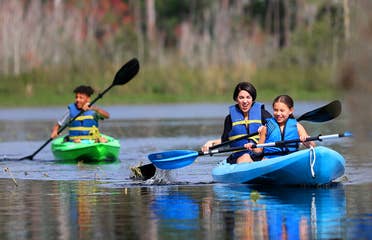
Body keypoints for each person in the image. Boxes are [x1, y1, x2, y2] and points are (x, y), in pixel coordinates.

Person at [201, 82, 272, 164]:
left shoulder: (263, 114)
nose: (245, 101)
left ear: (252, 99)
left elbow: (275, 132)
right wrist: (211, 143)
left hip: (260, 154)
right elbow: (226, 141)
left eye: (248, 97)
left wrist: (265, 129)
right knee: (245, 157)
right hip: (240, 156)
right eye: (241, 98)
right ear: (236, 99)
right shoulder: (230, 118)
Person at [244, 94, 315, 160]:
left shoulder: (297, 126)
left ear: (290, 110)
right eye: (275, 110)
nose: (278, 113)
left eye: (282, 111)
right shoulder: (266, 128)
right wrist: (253, 146)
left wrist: (307, 141)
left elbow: (312, 146)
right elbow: (259, 150)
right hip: (270, 160)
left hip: (291, 159)